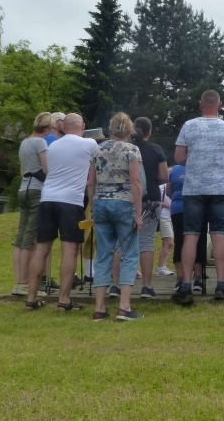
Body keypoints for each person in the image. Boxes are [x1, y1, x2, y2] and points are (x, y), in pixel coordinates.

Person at [171, 90, 224, 305]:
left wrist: (197, 159)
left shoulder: (189, 126)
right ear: (219, 105)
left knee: (191, 235)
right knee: (219, 235)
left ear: (201, 104)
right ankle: (220, 284)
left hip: (193, 189)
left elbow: (179, 157)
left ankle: (186, 286)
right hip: (219, 189)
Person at [25, 113, 98, 312]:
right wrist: (92, 203)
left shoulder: (53, 145)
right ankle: (63, 299)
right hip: (71, 201)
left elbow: (49, 171)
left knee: (41, 249)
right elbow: (92, 178)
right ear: (83, 126)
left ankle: (31, 298)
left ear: (63, 127)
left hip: (47, 198)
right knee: (69, 250)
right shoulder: (90, 144)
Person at [87, 112, 144, 321]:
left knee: (103, 254)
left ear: (110, 128)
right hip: (124, 202)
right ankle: (124, 306)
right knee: (129, 253)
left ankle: (100, 308)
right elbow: (136, 182)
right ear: (129, 129)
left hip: (101, 202)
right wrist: (138, 214)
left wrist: (93, 206)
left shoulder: (98, 149)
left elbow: (90, 181)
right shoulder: (132, 150)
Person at [12, 112, 52, 296]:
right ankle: (25, 283)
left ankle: (18, 280)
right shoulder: (40, 142)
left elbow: (23, 169)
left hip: (23, 188)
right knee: (31, 237)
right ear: (45, 128)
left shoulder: (25, 142)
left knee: (21, 237)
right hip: (37, 189)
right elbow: (46, 169)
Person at [131, 117, 169, 298]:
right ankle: (146, 286)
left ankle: (116, 285)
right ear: (149, 131)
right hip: (150, 199)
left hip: (128, 199)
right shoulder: (156, 150)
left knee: (121, 243)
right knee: (146, 243)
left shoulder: (127, 149)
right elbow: (164, 176)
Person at [155, 184, 175, 276]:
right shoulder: (161, 188)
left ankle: (163, 266)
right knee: (169, 241)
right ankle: (161, 267)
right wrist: (166, 205)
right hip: (163, 217)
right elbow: (155, 201)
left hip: (171, 217)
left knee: (168, 243)